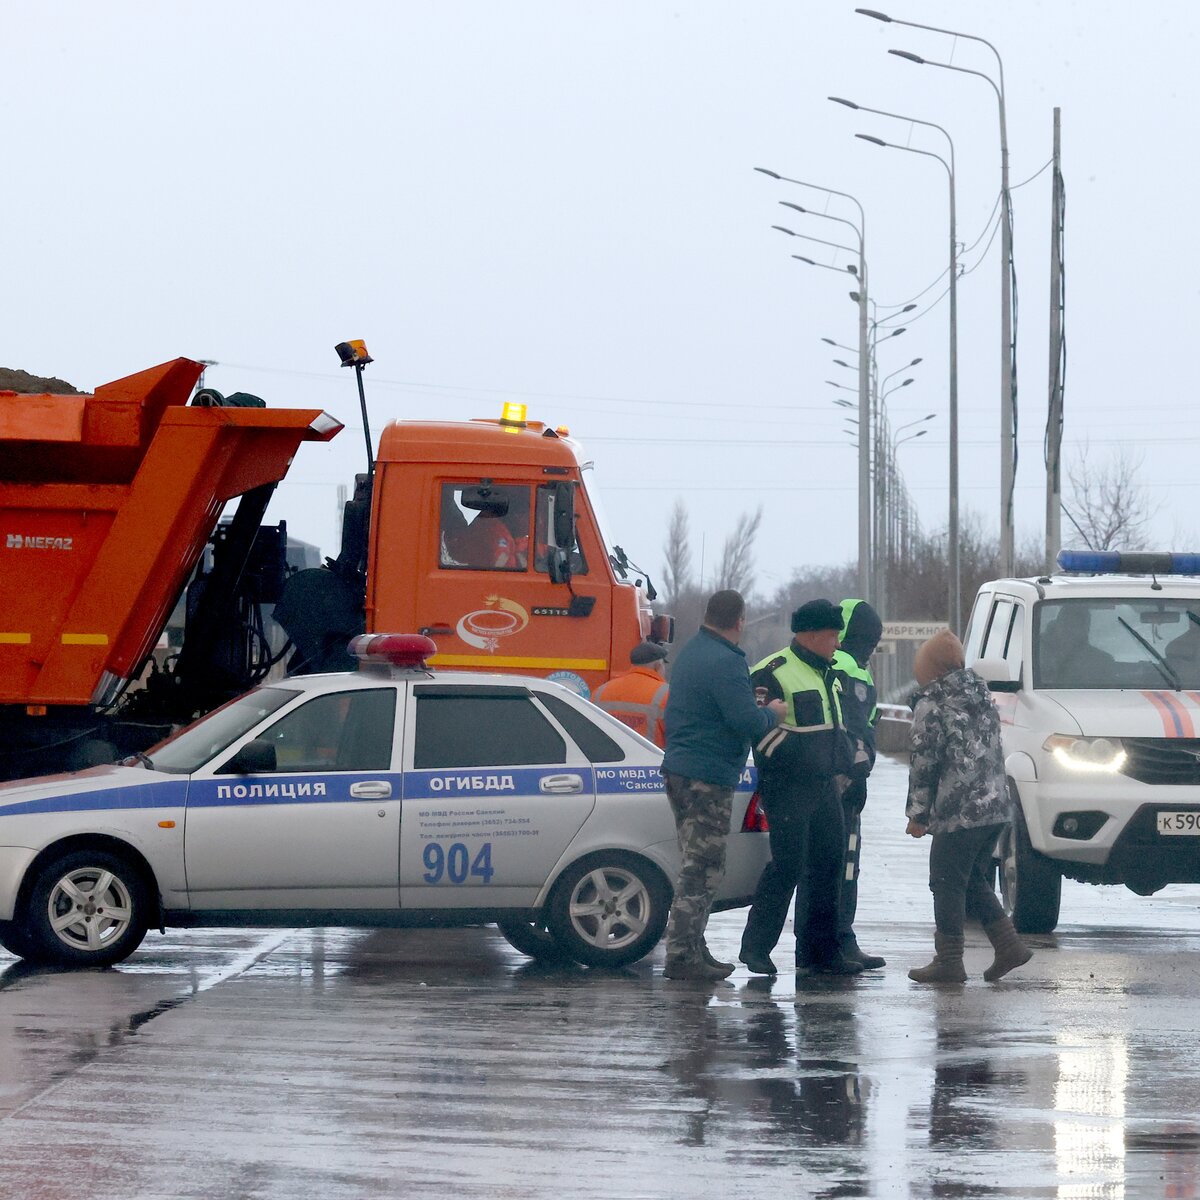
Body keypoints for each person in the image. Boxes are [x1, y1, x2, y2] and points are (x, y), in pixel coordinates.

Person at [660, 589, 787, 982]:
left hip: (680, 770)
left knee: (694, 863)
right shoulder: (727, 662)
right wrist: (772, 714)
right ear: (740, 621)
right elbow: (744, 720)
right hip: (707, 776)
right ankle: (682, 956)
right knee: (703, 869)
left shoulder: (691, 653)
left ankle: (694, 946)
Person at [738, 599, 864, 978]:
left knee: (828, 866)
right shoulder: (772, 672)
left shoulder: (828, 673)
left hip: (825, 785)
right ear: (810, 635)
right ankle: (756, 948)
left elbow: (836, 729)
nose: (837, 644)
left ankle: (820, 953)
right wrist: (801, 758)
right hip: (787, 786)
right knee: (788, 866)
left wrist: (851, 765)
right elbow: (760, 733)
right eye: (831, 636)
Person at [905, 629, 1033, 983]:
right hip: (995, 808)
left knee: (945, 881)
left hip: (959, 812)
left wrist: (918, 814)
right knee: (973, 879)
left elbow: (924, 762)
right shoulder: (981, 694)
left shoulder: (934, 702)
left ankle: (949, 961)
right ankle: (1009, 947)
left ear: (930, 669)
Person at [831, 599, 886, 971]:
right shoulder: (850, 670)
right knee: (843, 865)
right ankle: (839, 939)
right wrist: (858, 777)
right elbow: (855, 732)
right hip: (844, 784)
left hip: (843, 780)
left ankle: (841, 938)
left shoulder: (846, 666)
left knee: (843, 865)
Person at [592, 641, 670, 748]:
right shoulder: (666, 694)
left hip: (609, 760)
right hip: (650, 761)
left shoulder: (600, 691)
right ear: (658, 666)